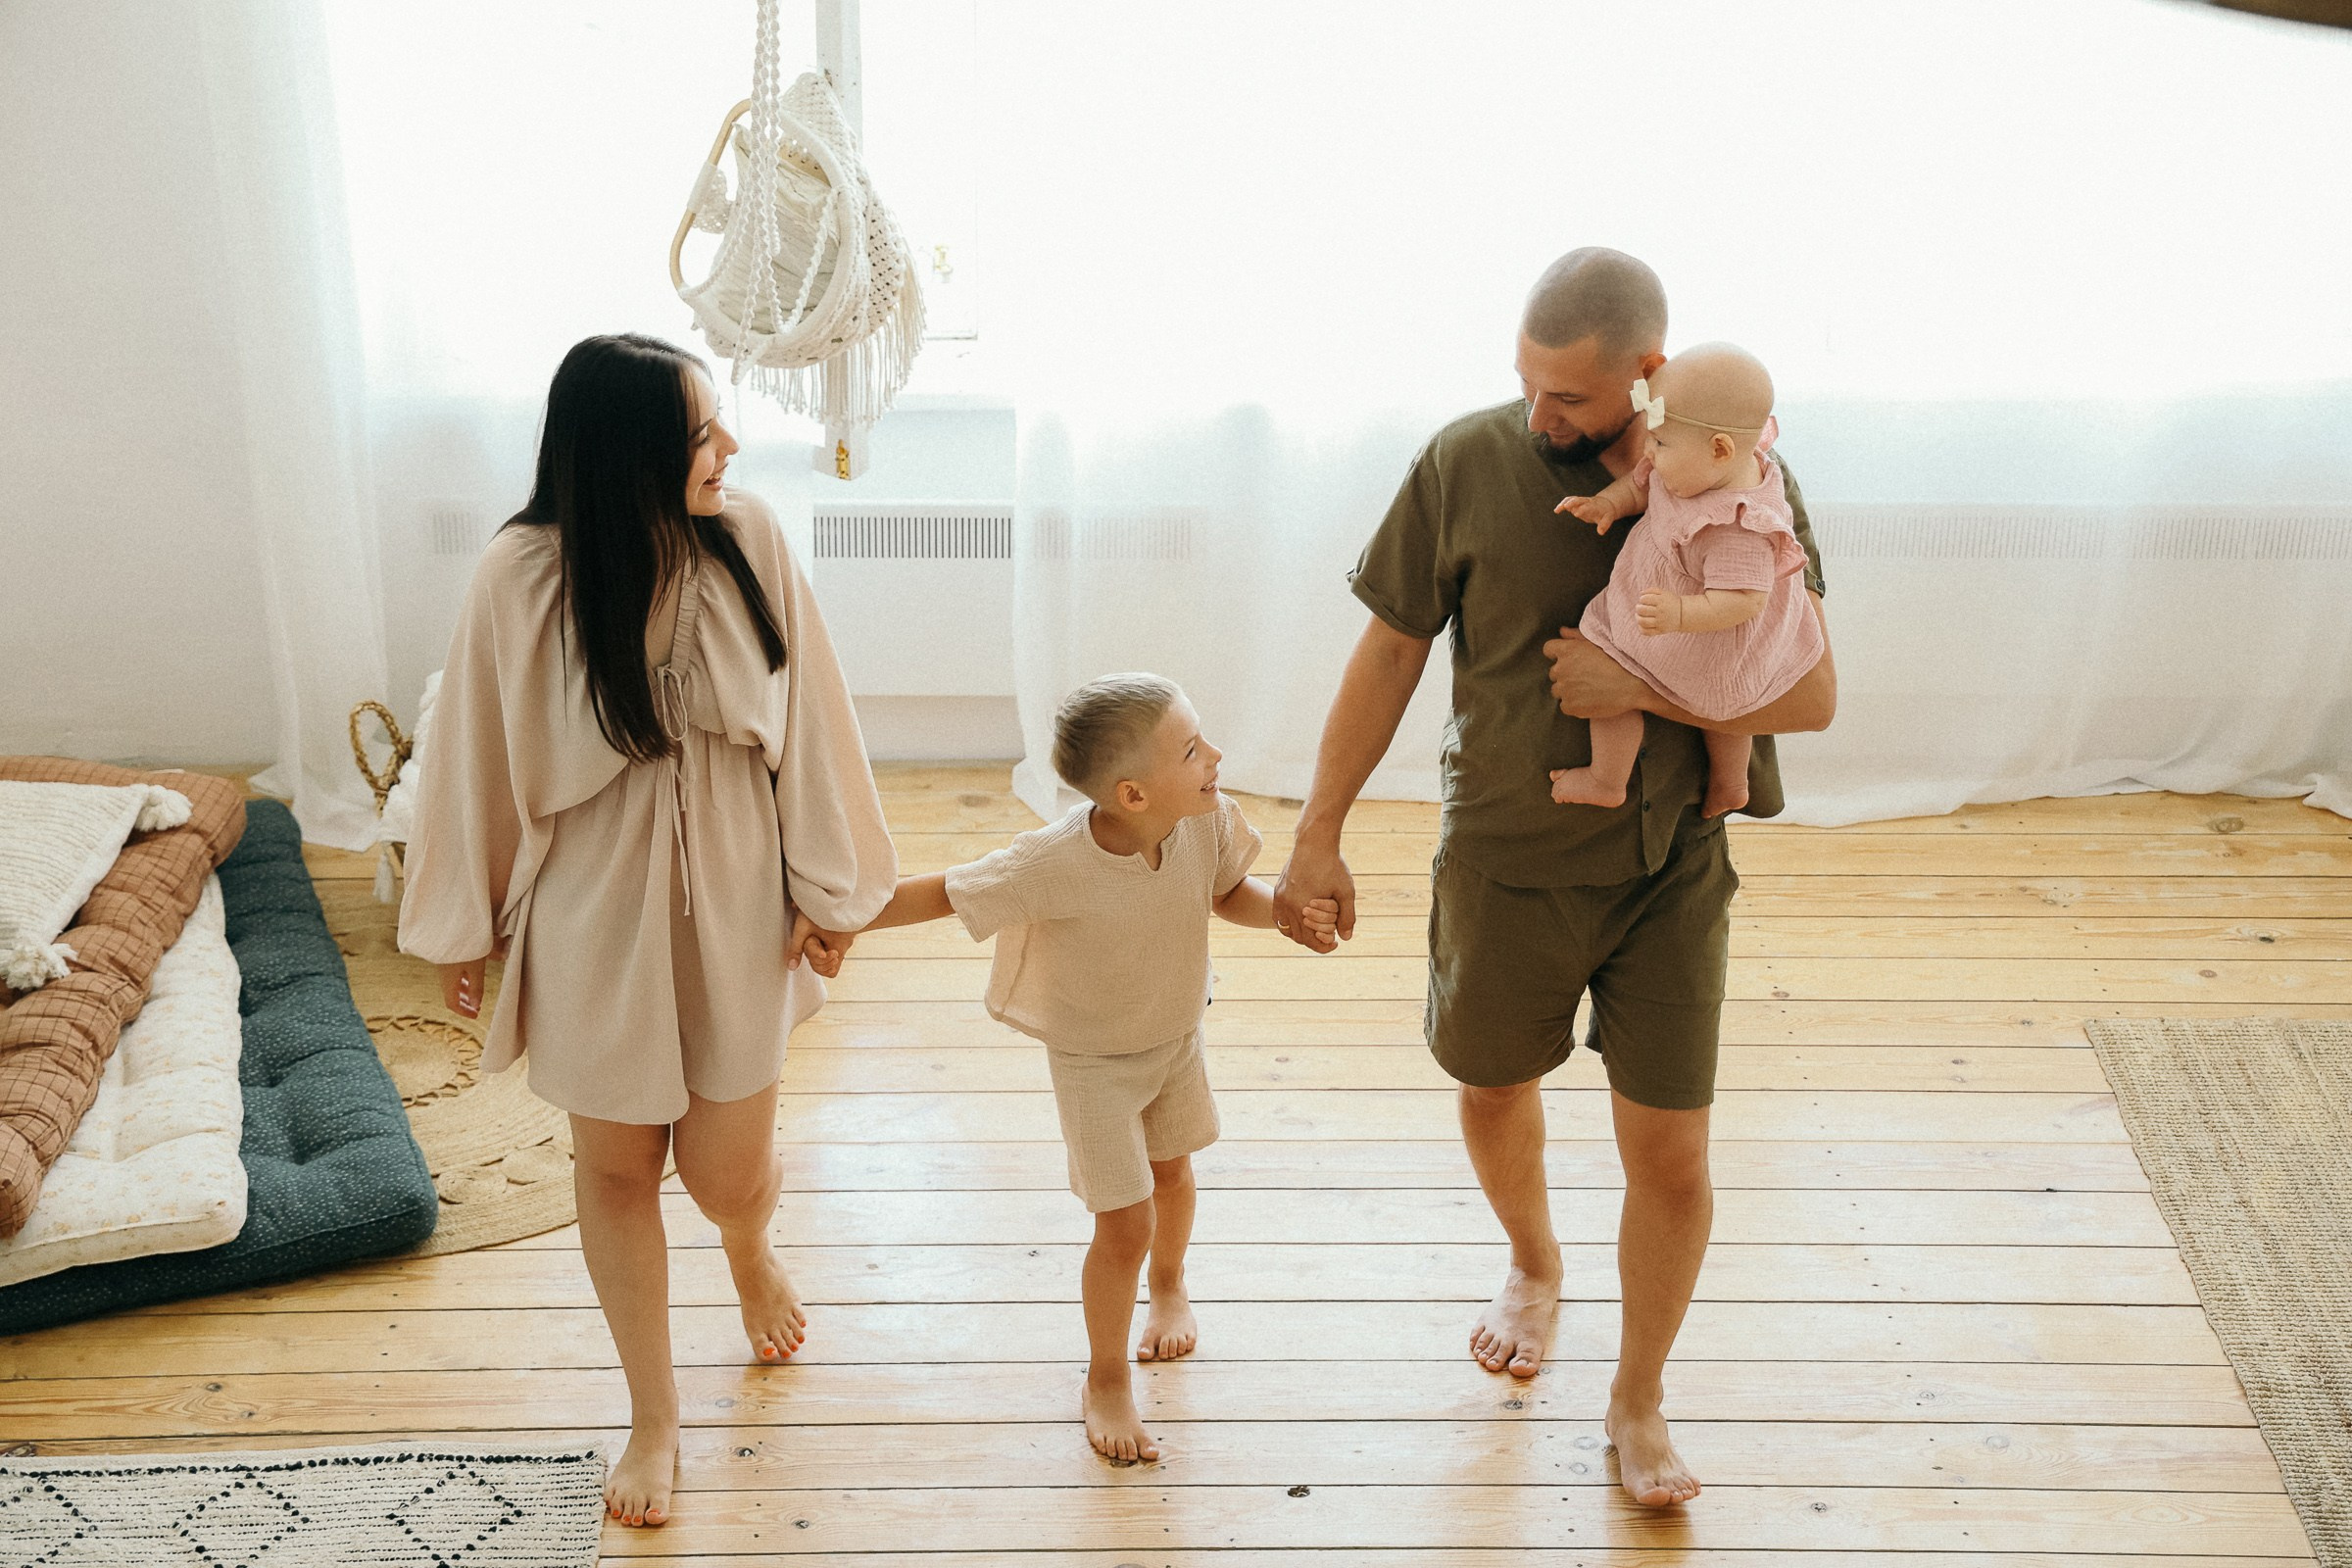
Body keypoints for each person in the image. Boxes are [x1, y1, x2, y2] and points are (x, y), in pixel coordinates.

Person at [1270, 249, 1837, 1507]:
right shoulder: (1464, 463)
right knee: (1488, 1087)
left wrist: (1637, 685)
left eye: (1569, 400)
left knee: (1674, 1154)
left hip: (1668, 866)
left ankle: (1638, 1397)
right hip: (1507, 857)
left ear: (1647, 373)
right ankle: (1533, 1259)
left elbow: (1812, 690)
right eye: (1527, 387)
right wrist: (1319, 830)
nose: (1542, 418)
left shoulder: (1749, 483)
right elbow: (1388, 655)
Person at [398, 333, 897, 1529]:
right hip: (592, 910)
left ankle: (747, 1244)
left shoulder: (752, 538)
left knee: (729, 1173)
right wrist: (467, 925)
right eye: (699, 437)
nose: (729, 450)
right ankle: (654, 1413)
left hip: (735, 892)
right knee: (615, 1168)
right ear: (624, 458)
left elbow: (817, 718)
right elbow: (470, 752)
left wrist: (831, 893)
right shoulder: (520, 575)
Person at [857, 674, 1339, 1462]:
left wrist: (1282, 912)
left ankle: (1171, 1285)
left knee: (1174, 1174)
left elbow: (1227, 894)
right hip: (1093, 1065)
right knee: (1125, 1224)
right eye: (1191, 749)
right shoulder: (1053, 862)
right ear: (1132, 794)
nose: (1215, 755)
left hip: (1176, 1034)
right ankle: (1106, 1376)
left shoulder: (1203, 818)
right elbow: (945, 892)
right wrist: (836, 923)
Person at [1547, 342, 1823, 821]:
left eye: (1660, 444)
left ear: (1720, 449)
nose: (1648, 453)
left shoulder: (1739, 525)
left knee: (1638, 676)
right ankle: (1731, 783)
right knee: (1728, 703)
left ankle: (1606, 779)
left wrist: (1679, 613)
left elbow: (1743, 599)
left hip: (1705, 632)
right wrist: (1609, 504)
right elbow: (1642, 484)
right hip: (1690, 619)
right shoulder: (1693, 464)